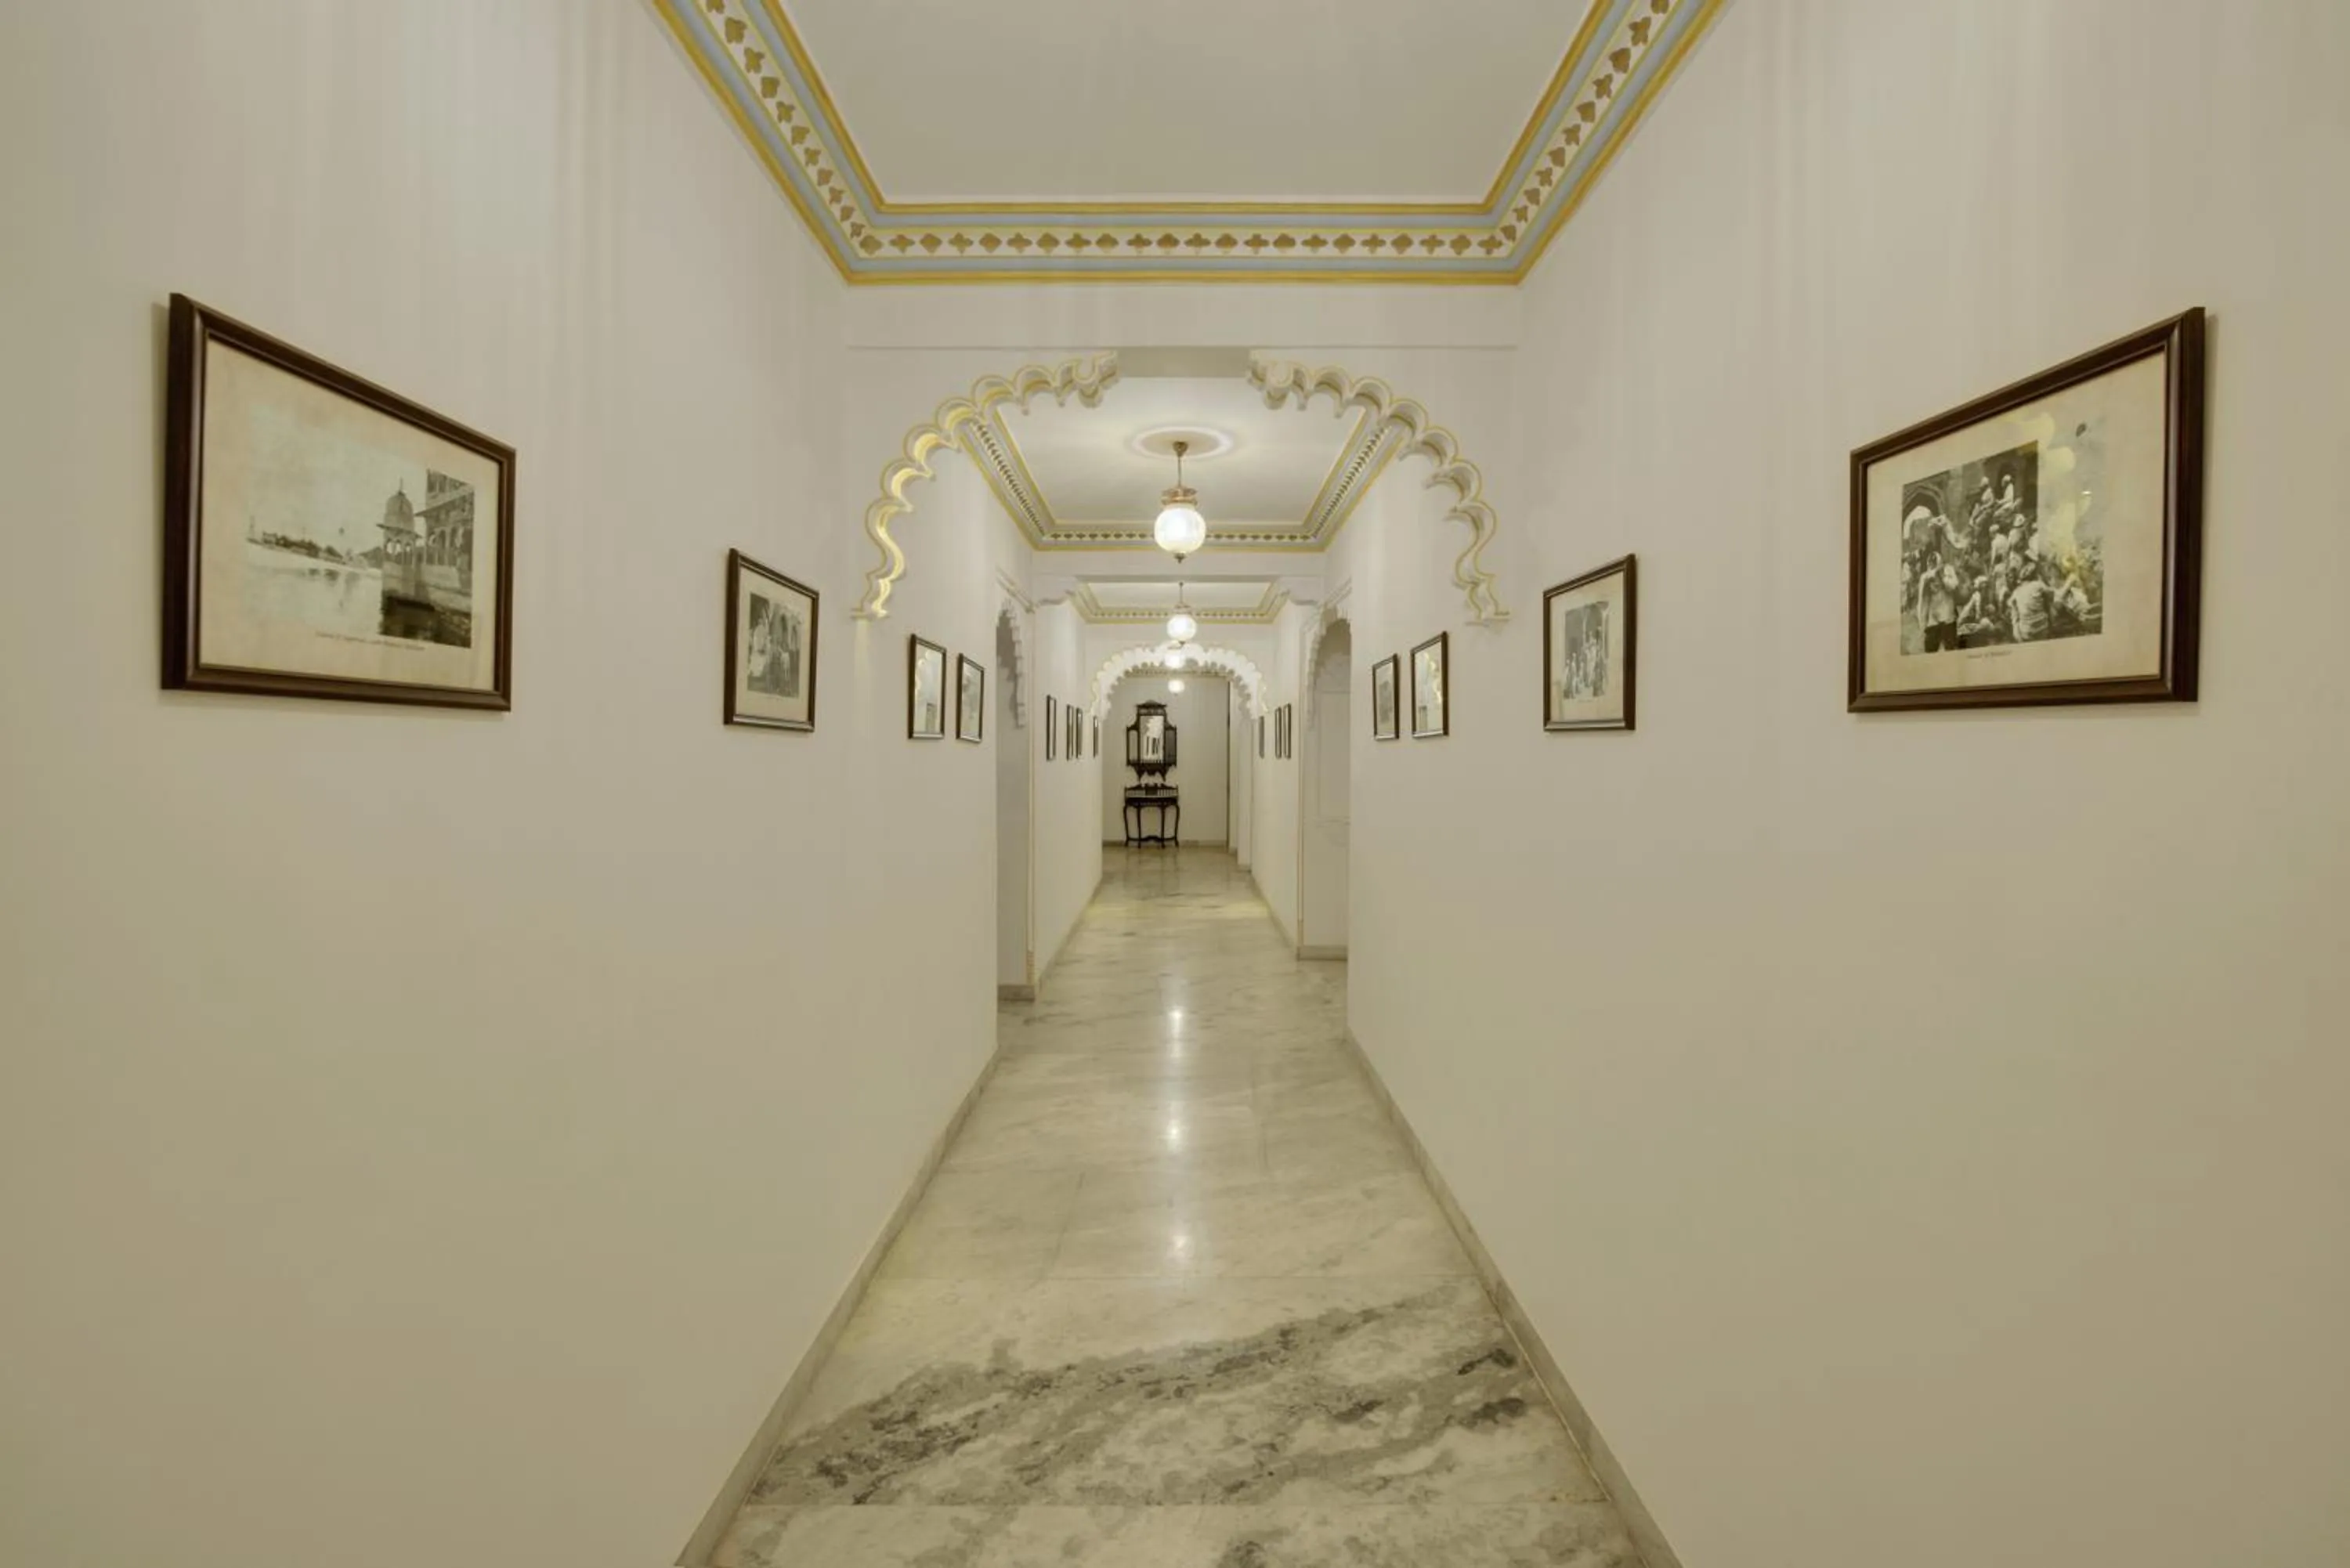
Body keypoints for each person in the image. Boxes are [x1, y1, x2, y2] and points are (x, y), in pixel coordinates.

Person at [1921, 554, 1961, 652]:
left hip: (1949, 620)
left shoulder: (1948, 570)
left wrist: (1943, 577)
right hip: (1933, 622)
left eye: (1934, 561)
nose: (1931, 564)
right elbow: (1922, 601)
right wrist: (1923, 622)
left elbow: (1954, 586)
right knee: (1930, 651)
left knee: (1950, 650)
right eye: (1930, 562)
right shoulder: (1925, 577)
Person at [2008, 562, 2054, 642]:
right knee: (2046, 601)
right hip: (2042, 627)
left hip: (2026, 631)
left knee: (2016, 611)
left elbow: (2010, 603)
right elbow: (2052, 593)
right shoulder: (2038, 585)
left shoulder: (2016, 592)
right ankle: (2052, 624)